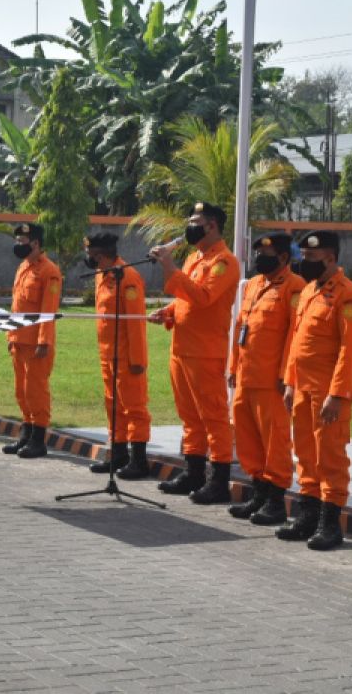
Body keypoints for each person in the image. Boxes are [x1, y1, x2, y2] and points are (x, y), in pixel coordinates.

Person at [277, 230, 352, 550]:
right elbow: (297, 341)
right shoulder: (310, 291)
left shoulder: (349, 294)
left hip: (328, 393)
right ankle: (308, 516)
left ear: (330, 258)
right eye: (303, 257)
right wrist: (289, 382)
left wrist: (338, 394)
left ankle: (330, 524)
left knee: (330, 458)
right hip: (303, 389)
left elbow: (349, 350)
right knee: (306, 455)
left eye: (311, 258)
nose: (304, 263)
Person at [148, 202, 241, 503]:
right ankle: (194, 471)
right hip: (182, 348)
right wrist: (170, 309)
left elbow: (203, 297)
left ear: (211, 226)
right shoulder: (194, 258)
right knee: (189, 416)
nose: (190, 227)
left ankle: (220, 479)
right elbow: (186, 299)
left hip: (205, 351)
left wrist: (169, 267)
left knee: (213, 417)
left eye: (195, 221)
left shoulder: (224, 262)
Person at [226, 233, 305, 524]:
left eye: (267, 253)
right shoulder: (255, 285)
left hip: (272, 381)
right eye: (258, 252)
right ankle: (258, 492)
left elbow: (294, 336)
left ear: (284, 258)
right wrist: (233, 367)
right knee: (248, 439)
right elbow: (240, 329)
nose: (261, 257)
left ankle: (275, 501)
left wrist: (286, 376)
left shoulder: (294, 288)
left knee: (275, 441)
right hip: (246, 376)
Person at [84, 233, 153, 478]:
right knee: (113, 406)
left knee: (133, 407)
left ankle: (139, 460)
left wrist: (137, 360)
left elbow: (135, 323)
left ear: (102, 256)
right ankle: (119, 453)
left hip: (126, 356)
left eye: (92, 256)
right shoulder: (103, 275)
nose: (89, 260)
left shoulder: (128, 277)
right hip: (108, 353)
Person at [2, 223, 61, 459]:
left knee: (36, 391)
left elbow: (49, 311)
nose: (18, 245)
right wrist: (11, 334)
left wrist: (44, 341)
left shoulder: (49, 271)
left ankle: (38, 440)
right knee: (21, 391)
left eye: (22, 242)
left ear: (36, 243)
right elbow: (16, 306)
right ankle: (25, 434)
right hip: (19, 340)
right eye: (17, 241)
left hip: (36, 343)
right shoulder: (23, 267)